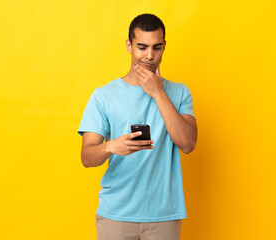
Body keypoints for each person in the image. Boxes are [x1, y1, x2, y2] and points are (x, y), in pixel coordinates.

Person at [78, 13, 197, 240]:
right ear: (129, 45)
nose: (149, 56)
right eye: (142, 47)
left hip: (164, 215)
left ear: (164, 46)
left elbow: (188, 143)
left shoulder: (180, 92)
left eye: (156, 48)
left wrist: (158, 93)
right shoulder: (103, 96)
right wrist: (111, 147)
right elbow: (86, 156)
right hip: (116, 214)